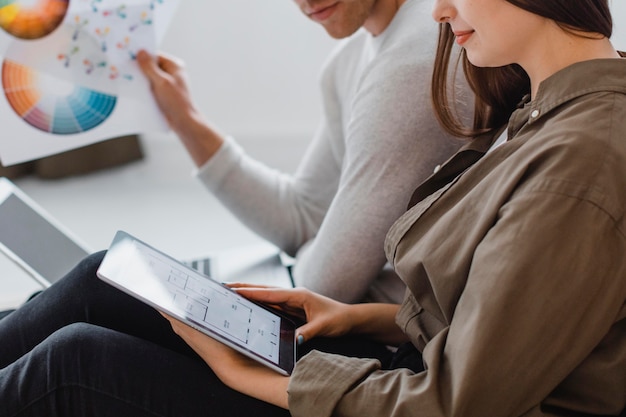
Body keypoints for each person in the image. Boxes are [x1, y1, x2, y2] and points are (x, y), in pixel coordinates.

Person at [1, 0, 625, 416]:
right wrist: (366, 317)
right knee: (101, 277)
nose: (437, 9)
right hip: (402, 357)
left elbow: (456, 400)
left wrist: (258, 378)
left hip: (407, 391)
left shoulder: (578, 160)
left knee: (74, 359)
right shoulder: (544, 109)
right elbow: (497, 313)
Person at [134, 0, 467, 304]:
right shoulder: (347, 62)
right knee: (100, 283)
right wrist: (185, 120)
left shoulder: (415, 58)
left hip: (393, 345)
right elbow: (305, 216)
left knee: (90, 327)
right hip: (339, 309)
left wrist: (330, 248)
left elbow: (328, 285)